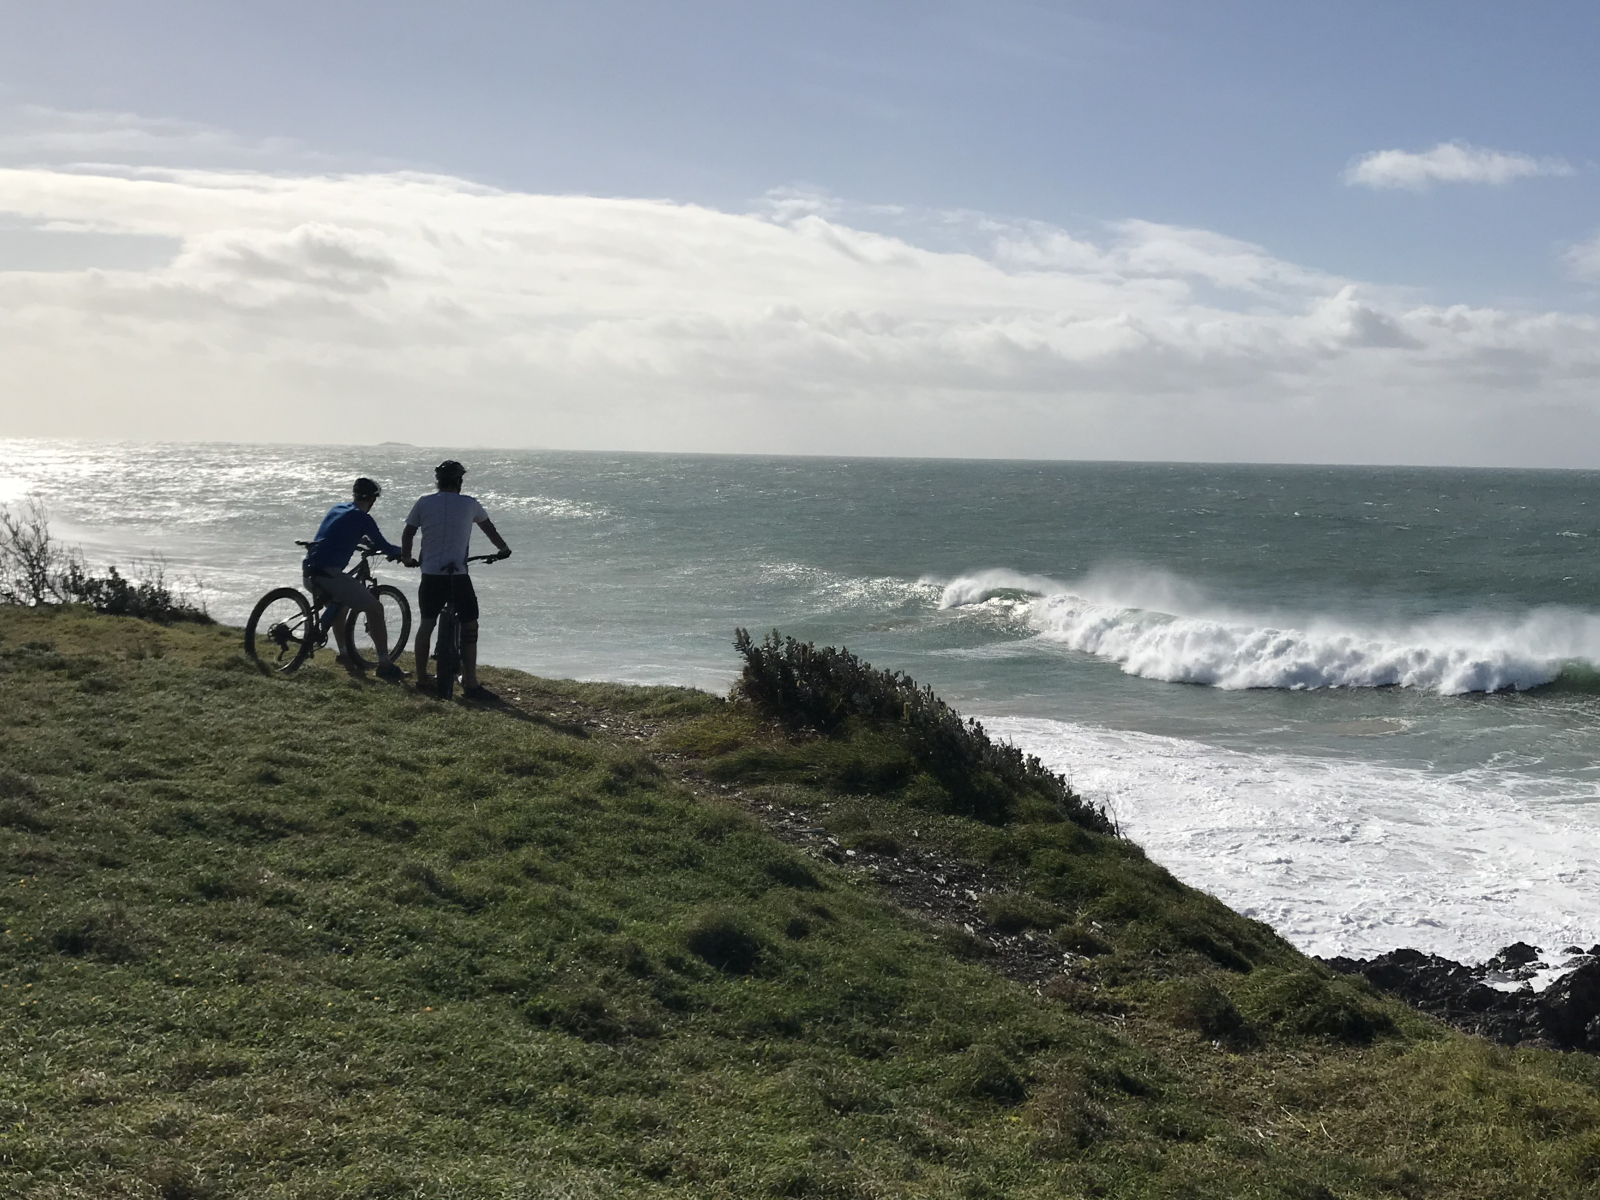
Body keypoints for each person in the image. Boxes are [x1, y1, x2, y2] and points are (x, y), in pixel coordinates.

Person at [402, 459, 511, 699]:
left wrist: (407, 558)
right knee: (470, 623)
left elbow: (408, 532)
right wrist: (503, 549)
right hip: (458, 575)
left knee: (427, 624)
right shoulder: (470, 504)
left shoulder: (424, 502)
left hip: (430, 574)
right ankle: (470, 684)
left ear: (438, 482)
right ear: (459, 482)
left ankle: (421, 678)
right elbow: (489, 529)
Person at [302, 477, 407, 680]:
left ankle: (344, 654)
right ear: (373, 500)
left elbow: (338, 533)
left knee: (340, 606)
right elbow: (384, 545)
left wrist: (360, 540)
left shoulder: (338, 508)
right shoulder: (363, 518)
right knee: (375, 608)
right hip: (329, 575)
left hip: (310, 571)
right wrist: (404, 554)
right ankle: (385, 664)